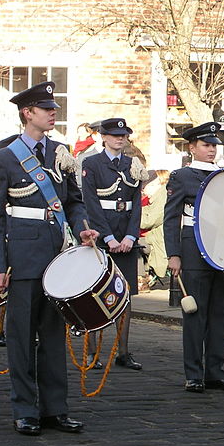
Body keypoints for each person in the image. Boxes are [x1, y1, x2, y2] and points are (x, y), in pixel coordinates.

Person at [0, 81, 99, 436]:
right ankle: (25, 409)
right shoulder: (5, 157)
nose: (53, 112)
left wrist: (82, 228)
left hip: (56, 254)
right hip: (21, 255)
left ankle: (55, 408)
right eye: (45, 108)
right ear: (27, 113)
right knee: (20, 337)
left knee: (53, 335)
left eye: (53, 107)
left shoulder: (62, 153)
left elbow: (74, 202)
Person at [163, 121, 224, 394]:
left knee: (220, 312)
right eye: (206, 145)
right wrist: (173, 254)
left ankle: (215, 371)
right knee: (195, 312)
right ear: (192, 147)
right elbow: (171, 216)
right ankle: (194, 372)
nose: (212, 150)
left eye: (214, 145)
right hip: (193, 247)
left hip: (220, 247)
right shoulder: (181, 176)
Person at [81, 117, 146, 371]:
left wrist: (131, 236)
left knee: (125, 295)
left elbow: (136, 203)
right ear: (103, 137)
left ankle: (123, 350)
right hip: (101, 236)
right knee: (94, 295)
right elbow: (91, 204)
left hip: (126, 235)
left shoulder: (133, 165)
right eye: (114, 135)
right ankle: (93, 352)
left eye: (123, 135)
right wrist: (108, 238)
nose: (120, 138)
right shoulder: (92, 164)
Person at [140, 169, 170, 285]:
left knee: (134, 245)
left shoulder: (162, 196)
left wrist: (131, 217)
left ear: (153, 183)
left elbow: (150, 220)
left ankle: (141, 279)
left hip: (159, 240)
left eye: (144, 187)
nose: (143, 190)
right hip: (157, 237)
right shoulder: (158, 196)